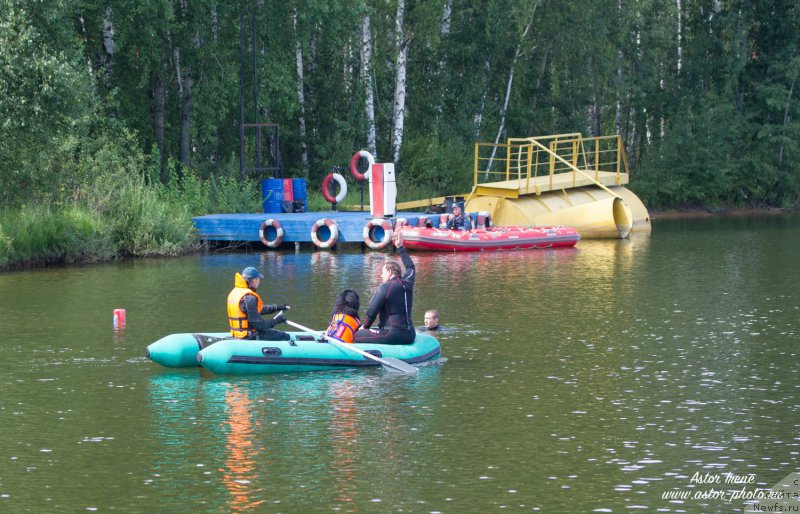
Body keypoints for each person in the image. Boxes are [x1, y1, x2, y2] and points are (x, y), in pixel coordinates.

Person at [354, 231, 416, 345]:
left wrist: (364, 327)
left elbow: (371, 313)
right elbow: (411, 267)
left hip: (391, 334)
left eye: (382, 272)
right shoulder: (408, 282)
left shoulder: (384, 288)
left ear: (390, 271)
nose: (381, 276)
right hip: (410, 335)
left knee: (356, 335)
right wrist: (400, 247)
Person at [226, 266, 291, 341]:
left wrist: (277, 307)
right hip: (249, 337)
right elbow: (260, 325)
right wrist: (276, 321)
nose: (259, 281)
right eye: (258, 279)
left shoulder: (236, 292)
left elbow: (255, 310)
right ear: (254, 280)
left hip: (237, 334)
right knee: (285, 336)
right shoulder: (249, 298)